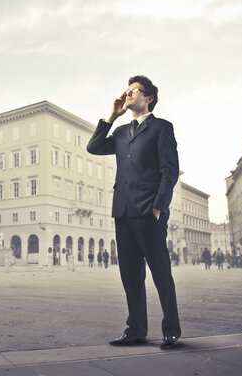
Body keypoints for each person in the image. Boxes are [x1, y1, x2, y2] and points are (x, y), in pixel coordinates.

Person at [87, 75, 181, 350]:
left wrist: (158, 207)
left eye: (133, 91)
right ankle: (136, 329)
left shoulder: (161, 128)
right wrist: (111, 116)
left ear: (148, 97)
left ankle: (172, 331)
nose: (127, 95)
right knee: (130, 275)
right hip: (124, 210)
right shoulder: (119, 132)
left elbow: (169, 170)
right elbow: (93, 147)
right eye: (126, 91)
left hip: (148, 211)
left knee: (161, 272)